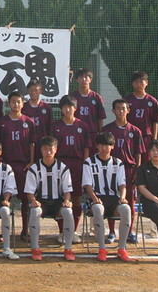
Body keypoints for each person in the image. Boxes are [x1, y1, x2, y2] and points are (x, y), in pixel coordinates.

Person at [82, 132, 131, 262]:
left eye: (107, 145)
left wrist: (122, 197)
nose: (104, 148)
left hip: (114, 199)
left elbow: (122, 184)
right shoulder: (89, 162)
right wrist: (94, 198)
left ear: (112, 146)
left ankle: (122, 248)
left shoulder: (118, 163)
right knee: (98, 209)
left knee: (126, 209)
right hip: (97, 197)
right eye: (101, 145)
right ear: (97, 146)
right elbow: (87, 185)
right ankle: (102, 248)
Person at [25, 136, 76, 261]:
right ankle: (35, 248)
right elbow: (29, 192)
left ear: (56, 150)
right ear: (41, 150)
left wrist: (67, 201)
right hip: (41, 202)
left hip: (58, 202)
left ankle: (68, 248)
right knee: (35, 211)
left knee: (68, 211)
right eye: (45, 149)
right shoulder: (34, 168)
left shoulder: (63, 168)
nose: (48, 152)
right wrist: (33, 201)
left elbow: (67, 190)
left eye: (50, 149)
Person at [102, 99, 146, 244]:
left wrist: (138, 170)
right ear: (113, 111)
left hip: (129, 169)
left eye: (123, 108)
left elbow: (138, 153)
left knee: (129, 201)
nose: (121, 111)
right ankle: (111, 232)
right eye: (118, 108)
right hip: (111, 169)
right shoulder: (107, 130)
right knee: (111, 200)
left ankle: (129, 231)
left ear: (128, 110)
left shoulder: (135, 131)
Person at [0, 92, 36, 241]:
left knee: (25, 199)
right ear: (9, 103)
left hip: (23, 166)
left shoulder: (29, 122)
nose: (16, 104)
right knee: (5, 199)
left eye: (19, 101)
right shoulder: (2, 122)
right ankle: (5, 231)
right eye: (13, 102)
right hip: (7, 165)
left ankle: (25, 230)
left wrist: (31, 161)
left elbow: (32, 143)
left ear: (23, 103)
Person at [51, 94, 90, 243]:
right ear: (61, 109)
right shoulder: (55, 126)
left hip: (77, 164)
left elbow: (86, 147)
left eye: (70, 107)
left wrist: (85, 165)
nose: (67, 110)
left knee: (76, 198)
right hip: (61, 164)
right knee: (61, 199)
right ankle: (62, 232)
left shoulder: (82, 126)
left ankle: (73, 231)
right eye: (64, 107)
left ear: (75, 108)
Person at [124, 70, 158, 164]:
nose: (139, 84)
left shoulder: (152, 101)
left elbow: (155, 121)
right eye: (136, 82)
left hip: (146, 136)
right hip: (130, 135)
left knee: (146, 162)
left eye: (141, 82)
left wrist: (154, 139)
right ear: (132, 84)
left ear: (146, 83)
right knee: (130, 161)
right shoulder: (127, 100)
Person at [70, 68, 106, 155]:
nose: (84, 79)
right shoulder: (72, 96)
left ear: (90, 79)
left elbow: (100, 118)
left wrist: (101, 134)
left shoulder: (96, 97)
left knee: (91, 157)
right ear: (77, 80)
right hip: (76, 131)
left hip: (92, 132)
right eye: (81, 77)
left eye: (86, 77)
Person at [21, 79, 53, 158]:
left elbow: (50, 126)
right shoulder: (23, 107)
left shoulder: (47, 107)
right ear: (28, 91)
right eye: (31, 90)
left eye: (36, 90)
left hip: (42, 142)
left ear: (41, 91)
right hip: (27, 142)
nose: (33, 92)